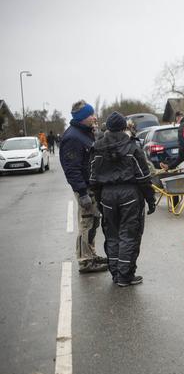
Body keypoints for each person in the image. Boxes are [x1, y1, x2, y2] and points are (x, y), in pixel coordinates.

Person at [89, 112, 156, 286]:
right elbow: (143, 176)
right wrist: (150, 199)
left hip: (107, 196)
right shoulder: (132, 146)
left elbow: (93, 178)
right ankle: (125, 276)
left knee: (112, 235)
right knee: (129, 235)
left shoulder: (97, 147)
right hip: (130, 195)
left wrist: (98, 199)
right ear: (124, 127)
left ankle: (116, 273)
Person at [59, 100, 107, 273]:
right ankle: (85, 261)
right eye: (90, 114)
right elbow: (72, 168)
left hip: (91, 186)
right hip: (84, 189)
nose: (94, 117)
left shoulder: (85, 133)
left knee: (93, 222)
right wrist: (82, 192)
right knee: (86, 223)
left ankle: (91, 254)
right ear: (82, 118)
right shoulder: (72, 137)